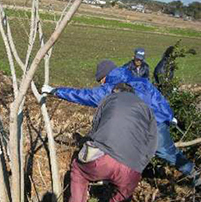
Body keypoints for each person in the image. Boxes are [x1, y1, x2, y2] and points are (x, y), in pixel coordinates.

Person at [41, 60, 197, 183]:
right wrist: (169, 117)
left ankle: (111, 181)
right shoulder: (142, 82)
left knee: (121, 153)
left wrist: (55, 91)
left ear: (104, 77)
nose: (101, 83)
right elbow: (158, 100)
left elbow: (83, 95)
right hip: (158, 124)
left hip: (140, 130)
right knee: (171, 154)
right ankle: (195, 176)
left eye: (100, 80)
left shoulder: (110, 89)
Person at [62, 83, 158, 202]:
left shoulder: (109, 99)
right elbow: (152, 144)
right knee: (122, 199)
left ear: (116, 91)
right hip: (132, 166)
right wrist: (139, 166)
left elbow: (95, 129)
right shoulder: (147, 109)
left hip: (104, 157)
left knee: (79, 169)